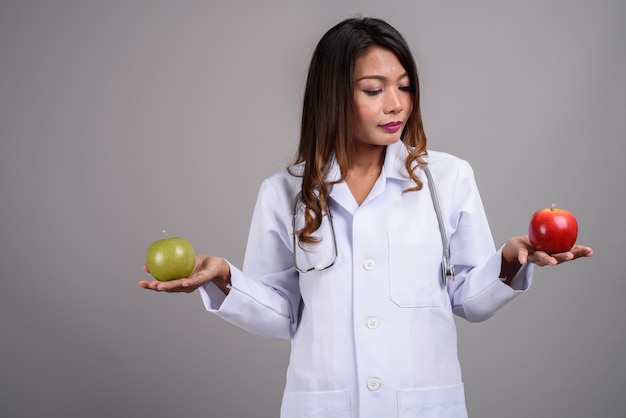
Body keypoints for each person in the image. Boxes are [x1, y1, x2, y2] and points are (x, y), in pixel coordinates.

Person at [138, 16, 593, 418]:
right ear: (332, 95)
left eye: (405, 86)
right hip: (323, 404)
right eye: (374, 90)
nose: (396, 104)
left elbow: (467, 300)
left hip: (423, 405)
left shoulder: (448, 178)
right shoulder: (284, 192)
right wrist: (224, 279)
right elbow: (283, 314)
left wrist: (511, 260)